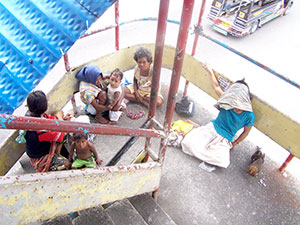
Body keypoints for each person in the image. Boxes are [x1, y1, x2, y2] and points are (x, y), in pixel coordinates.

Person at [179, 64, 255, 168]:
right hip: (212, 129)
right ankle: (200, 132)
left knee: (222, 161)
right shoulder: (227, 101)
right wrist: (210, 71)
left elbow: (246, 132)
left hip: (225, 139)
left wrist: (234, 143)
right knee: (188, 143)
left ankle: (198, 131)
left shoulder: (249, 115)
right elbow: (216, 87)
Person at [24, 90, 71, 172]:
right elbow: (62, 133)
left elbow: (51, 120)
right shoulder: (39, 128)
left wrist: (62, 119)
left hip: (41, 148)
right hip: (40, 158)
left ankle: (57, 154)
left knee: (63, 135)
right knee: (66, 163)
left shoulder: (33, 115)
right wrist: (60, 118)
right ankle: (52, 164)